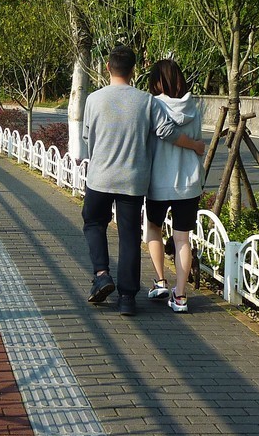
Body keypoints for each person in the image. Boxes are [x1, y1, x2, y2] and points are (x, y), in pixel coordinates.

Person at [82, 45, 205, 316]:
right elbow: (166, 131)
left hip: (100, 177)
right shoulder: (146, 101)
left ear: (108, 67)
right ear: (133, 70)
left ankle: (102, 274)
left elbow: (87, 137)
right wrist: (195, 145)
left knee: (93, 223)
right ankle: (127, 298)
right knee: (129, 236)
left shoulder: (93, 99)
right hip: (133, 181)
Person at [143, 59, 205, 314]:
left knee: (153, 229)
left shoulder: (152, 105)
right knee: (182, 239)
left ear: (156, 81)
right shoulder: (193, 107)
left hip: (158, 181)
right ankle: (180, 296)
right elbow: (198, 142)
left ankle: (160, 281)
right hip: (188, 182)